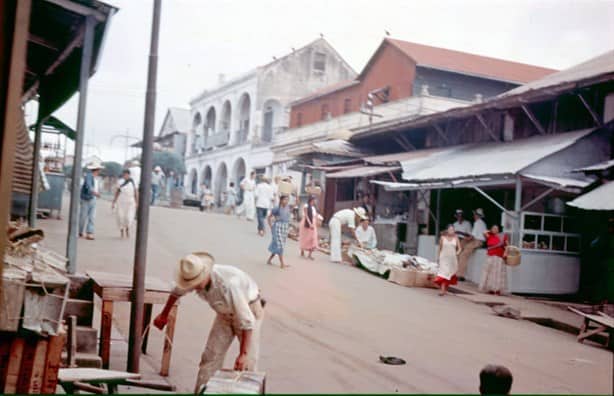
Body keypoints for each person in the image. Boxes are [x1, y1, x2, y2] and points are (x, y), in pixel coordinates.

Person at [153, 253, 265, 394]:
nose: (194, 288)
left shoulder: (230, 285)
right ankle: (202, 392)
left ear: (205, 274)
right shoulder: (191, 275)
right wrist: (163, 315)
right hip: (224, 314)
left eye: (196, 284)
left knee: (247, 365)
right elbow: (176, 292)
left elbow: (247, 322)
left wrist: (243, 353)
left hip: (249, 310)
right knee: (210, 357)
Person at [457, 208, 488, 281]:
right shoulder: (481, 223)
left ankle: (461, 275)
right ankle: (458, 271)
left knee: (463, 255)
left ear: (477, 215)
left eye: (475, 214)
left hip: (478, 241)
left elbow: (472, 236)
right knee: (461, 246)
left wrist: (466, 239)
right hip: (478, 240)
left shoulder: (478, 223)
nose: (474, 216)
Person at [479, 225, 508, 295]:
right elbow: (484, 232)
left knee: (498, 273)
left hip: (499, 256)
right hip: (490, 256)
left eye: (496, 228)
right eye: (493, 228)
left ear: (499, 229)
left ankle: (497, 289)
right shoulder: (489, 236)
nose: (494, 229)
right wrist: (490, 231)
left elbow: (507, 245)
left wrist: (506, 253)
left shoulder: (503, 236)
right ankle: (490, 288)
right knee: (489, 273)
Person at [434, 225, 462, 296]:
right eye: (450, 229)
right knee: (444, 273)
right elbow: (440, 248)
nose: (451, 231)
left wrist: (457, 253)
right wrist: (438, 258)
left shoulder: (456, 238)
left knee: (449, 274)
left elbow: (459, 248)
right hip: (443, 258)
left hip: (452, 259)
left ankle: (445, 289)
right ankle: (442, 290)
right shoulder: (442, 238)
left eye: (452, 230)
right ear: (447, 230)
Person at [266, 195, 291, 269]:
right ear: (281, 200)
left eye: (287, 200)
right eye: (285, 200)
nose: (286, 201)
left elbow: (296, 203)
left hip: (285, 227)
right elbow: (269, 217)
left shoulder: (287, 207)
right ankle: (282, 264)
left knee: (279, 245)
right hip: (277, 227)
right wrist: (271, 226)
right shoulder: (277, 208)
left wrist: (296, 195)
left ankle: (269, 260)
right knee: (280, 245)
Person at [111, 169, 138, 239]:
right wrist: (114, 202)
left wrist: (137, 202)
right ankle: (122, 231)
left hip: (130, 202)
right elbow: (117, 192)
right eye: (124, 174)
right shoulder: (120, 182)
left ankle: (127, 229)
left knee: (128, 217)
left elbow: (136, 192)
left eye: (126, 174)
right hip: (121, 202)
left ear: (129, 175)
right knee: (120, 217)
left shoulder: (133, 182)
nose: (125, 176)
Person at [79, 161, 102, 240]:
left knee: (92, 217)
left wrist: (96, 194)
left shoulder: (96, 178)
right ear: (96, 169)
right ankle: (80, 231)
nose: (99, 171)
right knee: (83, 216)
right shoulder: (89, 176)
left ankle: (89, 233)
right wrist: (95, 193)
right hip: (86, 199)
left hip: (93, 199)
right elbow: (89, 187)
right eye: (99, 169)